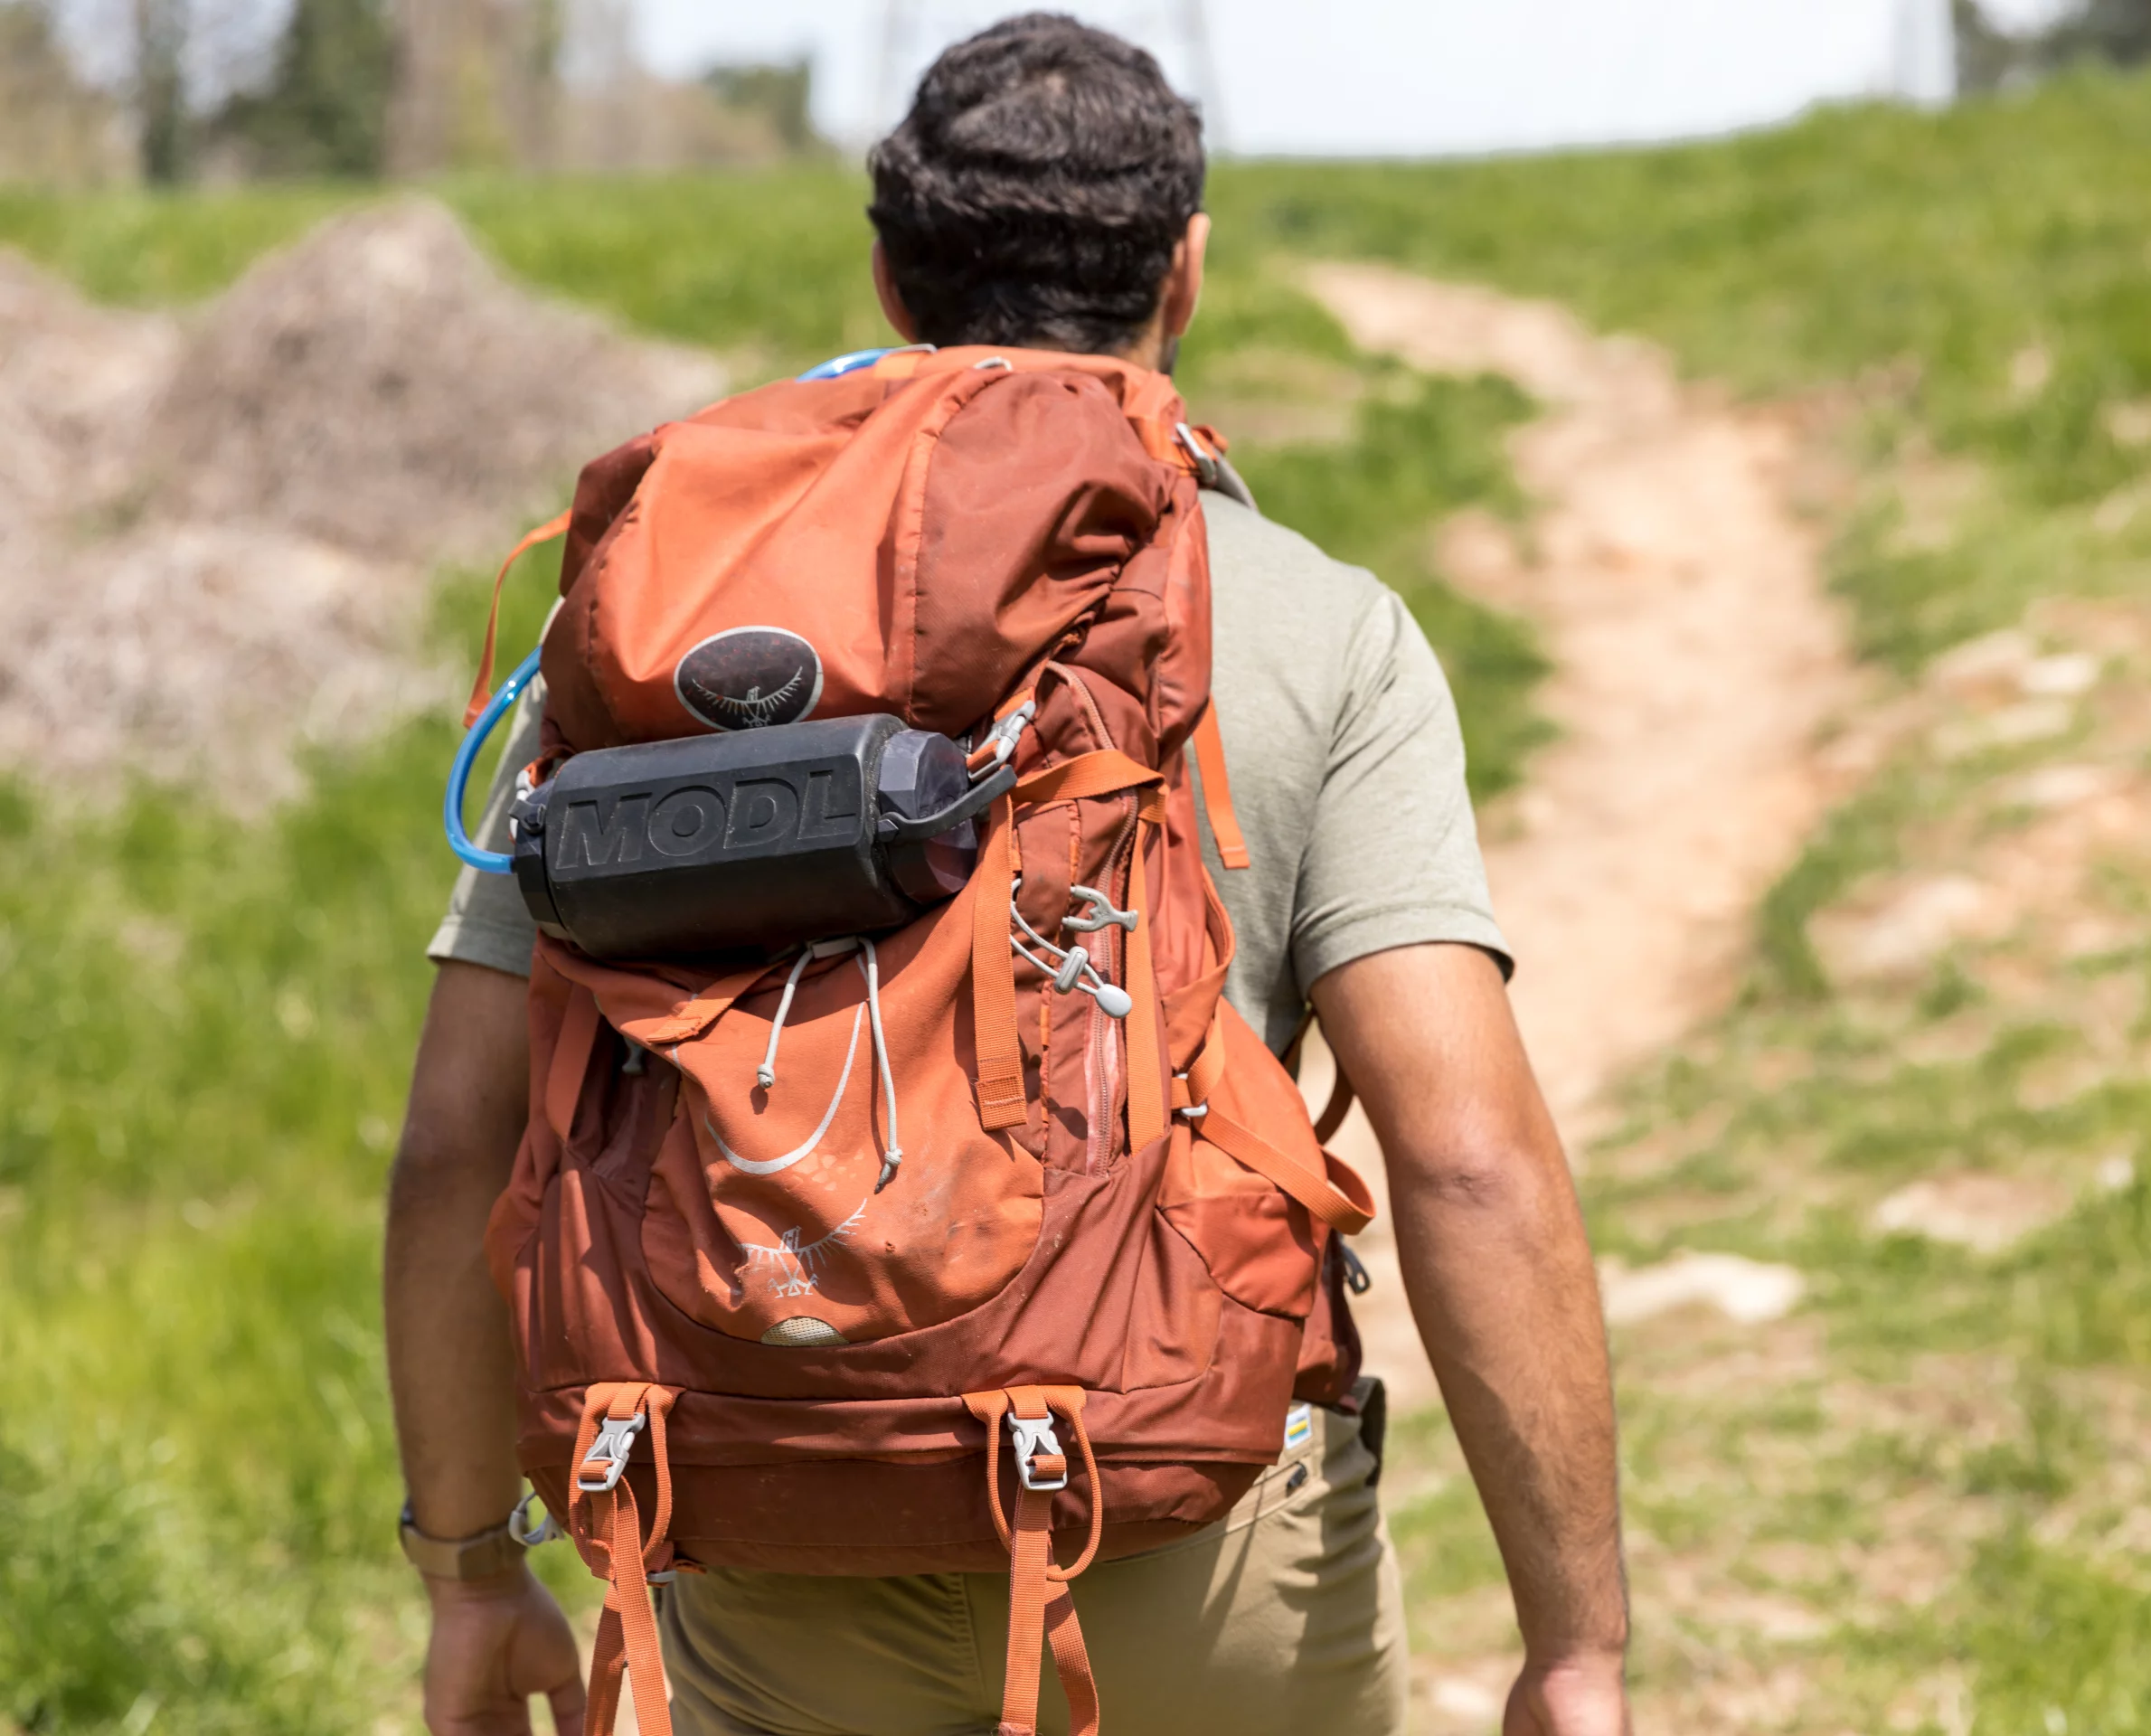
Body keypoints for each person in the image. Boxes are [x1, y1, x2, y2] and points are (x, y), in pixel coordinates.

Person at [383, 14, 1628, 1735]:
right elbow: (1467, 1159)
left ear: (892, 282)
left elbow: (457, 1143)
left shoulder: (660, 626)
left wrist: (465, 1574)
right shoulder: (1325, 632)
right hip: (1183, 1541)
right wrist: (1575, 1650)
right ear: (1183, 275)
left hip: (751, 1531)